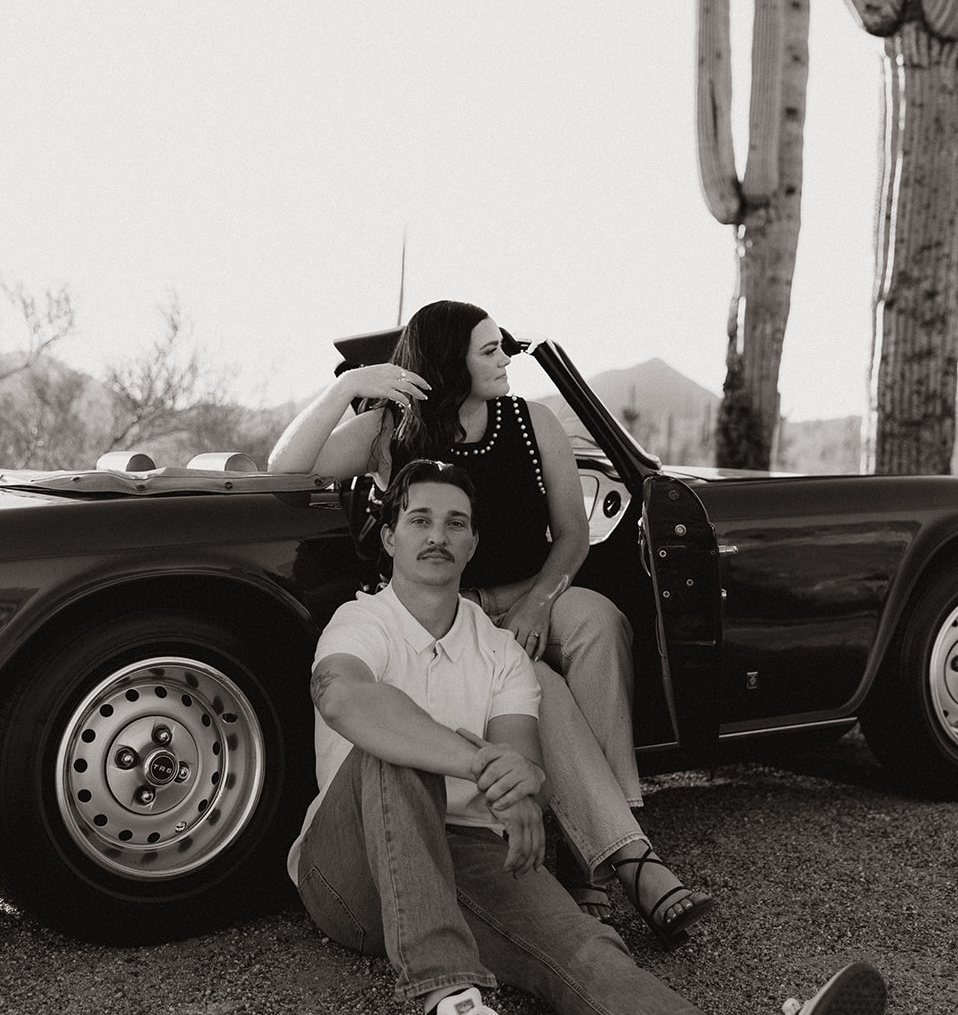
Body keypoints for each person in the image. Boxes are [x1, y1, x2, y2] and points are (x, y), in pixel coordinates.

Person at [288, 459, 887, 1015]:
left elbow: (524, 762)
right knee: (394, 752)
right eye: (419, 519)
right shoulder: (361, 622)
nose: (437, 535)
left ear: (474, 543)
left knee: (583, 945)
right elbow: (345, 698)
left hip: (467, 858)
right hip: (351, 869)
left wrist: (520, 782)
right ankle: (447, 1000)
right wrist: (474, 759)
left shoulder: (500, 653)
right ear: (389, 537)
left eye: (455, 523)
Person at [270, 298, 708, 942]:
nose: (506, 359)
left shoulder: (532, 422)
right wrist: (350, 386)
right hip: (452, 604)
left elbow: (574, 536)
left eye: (502, 347)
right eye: (489, 350)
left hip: (538, 587)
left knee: (602, 624)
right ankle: (621, 858)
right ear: (452, 361)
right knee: (536, 682)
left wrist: (539, 601)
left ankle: (605, 847)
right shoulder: (393, 430)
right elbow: (286, 466)